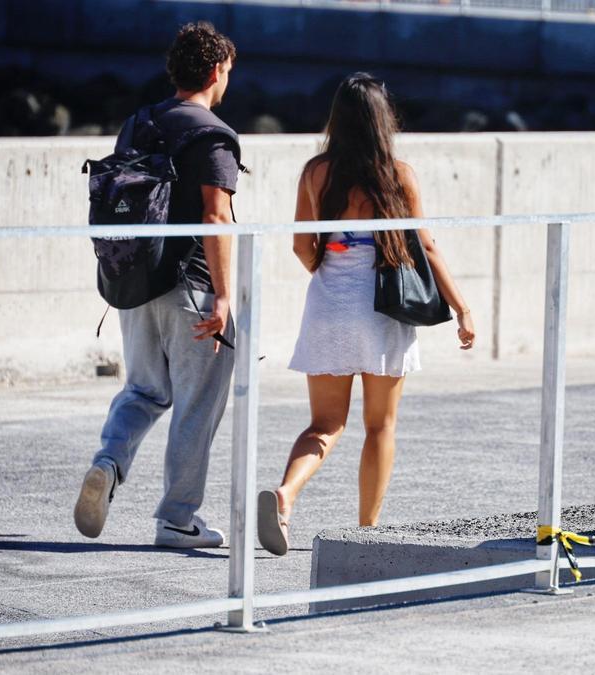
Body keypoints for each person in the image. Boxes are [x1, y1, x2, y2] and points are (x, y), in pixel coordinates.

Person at [256, 73, 475, 556]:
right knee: (380, 426)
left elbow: (301, 246)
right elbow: (428, 248)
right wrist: (461, 308)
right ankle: (367, 530)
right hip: (381, 313)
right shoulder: (399, 175)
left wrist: (329, 267)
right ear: (382, 121)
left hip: (328, 306)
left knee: (324, 425)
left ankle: (285, 496)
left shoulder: (316, 173)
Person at [73, 22, 240, 548]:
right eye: (228, 72)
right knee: (196, 402)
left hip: (134, 283)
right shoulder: (213, 134)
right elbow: (217, 218)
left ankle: (109, 461)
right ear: (216, 71)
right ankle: (176, 519)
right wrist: (226, 296)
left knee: (144, 390)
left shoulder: (138, 123)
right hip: (193, 290)